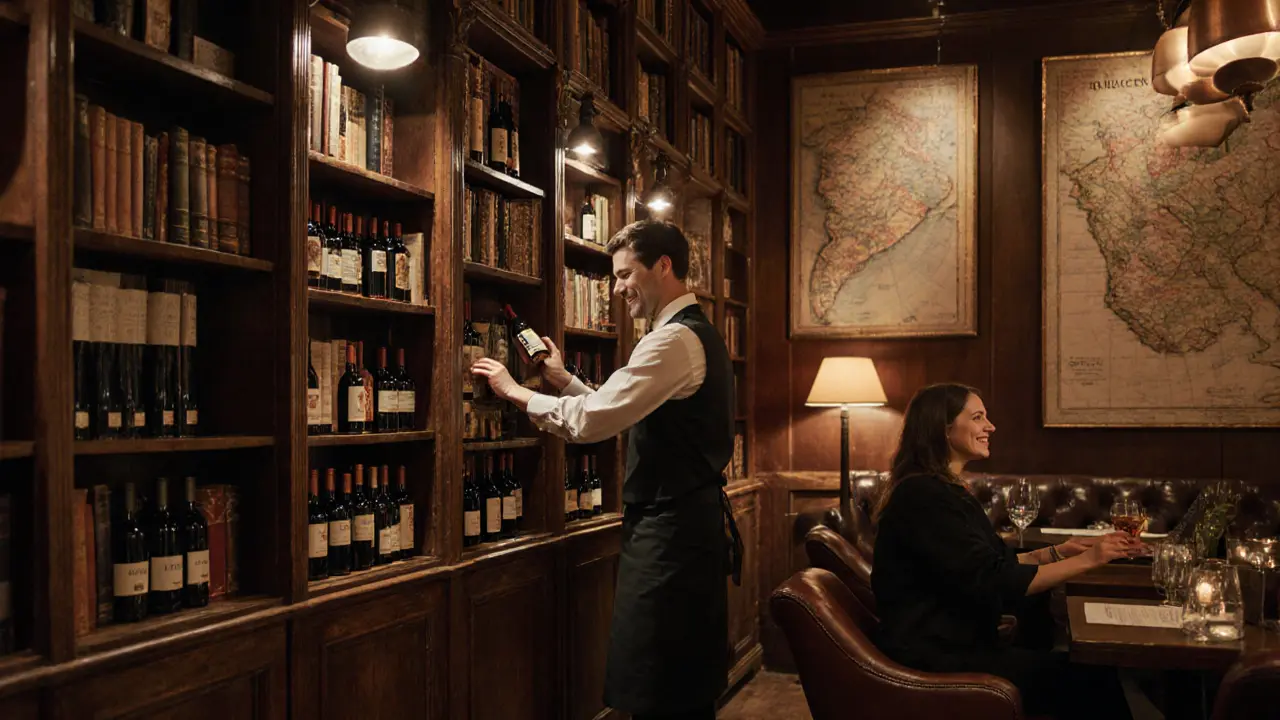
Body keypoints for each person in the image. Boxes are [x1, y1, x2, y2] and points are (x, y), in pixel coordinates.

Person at [472, 220, 741, 720]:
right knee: (675, 685)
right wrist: (562, 378)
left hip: (671, 538)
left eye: (623, 275)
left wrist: (515, 391)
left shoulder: (671, 342)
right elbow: (618, 411)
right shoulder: (694, 334)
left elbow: (593, 423)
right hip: (683, 530)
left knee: (661, 690)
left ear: (662, 266)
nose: (616, 291)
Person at [871, 383, 1141, 719]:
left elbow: (995, 560)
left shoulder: (945, 491)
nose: (991, 426)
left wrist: (1060, 552)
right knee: (1092, 678)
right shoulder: (924, 497)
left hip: (957, 643)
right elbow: (995, 580)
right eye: (978, 417)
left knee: (1082, 668)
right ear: (944, 428)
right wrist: (1092, 559)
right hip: (935, 656)